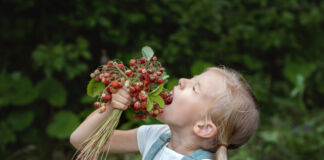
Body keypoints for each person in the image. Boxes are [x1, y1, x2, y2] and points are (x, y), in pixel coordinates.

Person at [70, 66, 259, 160]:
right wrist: (111, 106)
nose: (183, 80)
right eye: (192, 79)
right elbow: (82, 140)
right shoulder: (157, 136)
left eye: (195, 89)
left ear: (203, 127)